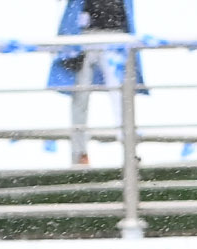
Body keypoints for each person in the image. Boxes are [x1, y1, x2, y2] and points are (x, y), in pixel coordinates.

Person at [47, 0, 133, 167]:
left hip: (114, 34)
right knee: (82, 97)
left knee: (121, 97)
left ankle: (129, 149)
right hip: (85, 35)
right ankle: (80, 153)